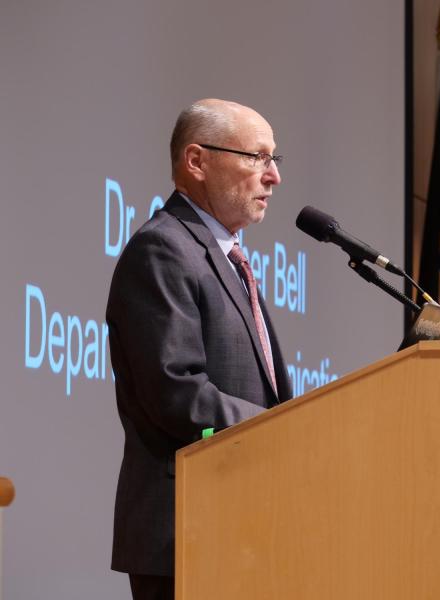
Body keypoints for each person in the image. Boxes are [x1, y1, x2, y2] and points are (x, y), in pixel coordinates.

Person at [106, 99, 292, 600]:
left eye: (274, 159)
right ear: (196, 161)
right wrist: (289, 431)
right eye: (256, 157)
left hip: (241, 523)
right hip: (187, 526)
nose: (273, 176)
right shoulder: (164, 248)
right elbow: (177, 391)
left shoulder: (224, 255)